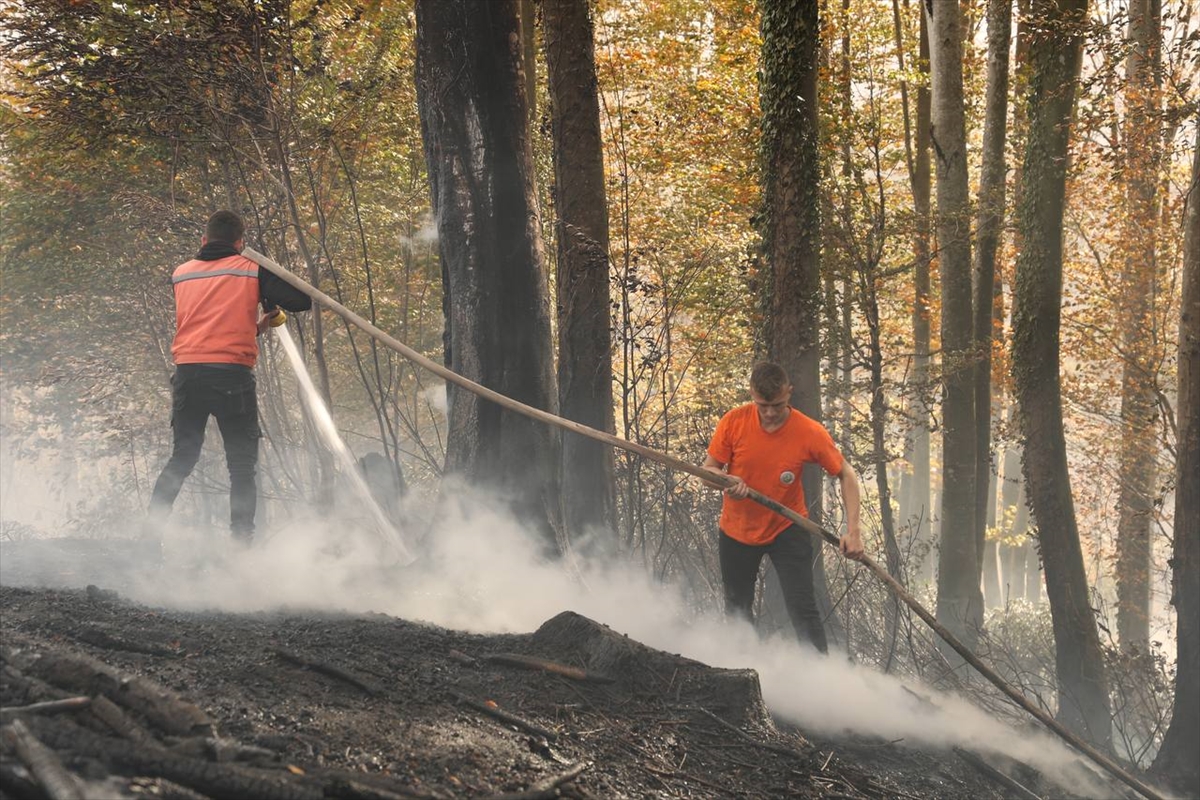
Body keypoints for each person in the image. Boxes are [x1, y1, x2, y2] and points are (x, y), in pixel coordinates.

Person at [147, 210, 311, 542]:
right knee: (240, 465)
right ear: (240, 243)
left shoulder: (181, 274)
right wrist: (268, 279)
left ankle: (149, 537)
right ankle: (241, 547)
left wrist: (258, 327)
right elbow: (301, 301)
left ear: (204, 240)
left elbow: (211, 326)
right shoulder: (251, 269)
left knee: (182, 457)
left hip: (189, 375)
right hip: (231, 379)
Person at [703, 361, 863, 653]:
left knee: (803, 606)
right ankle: (745, 672)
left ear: (789, 393)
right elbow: (708, 471)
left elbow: (847, 475)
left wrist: (853, 531)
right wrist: (726, 480)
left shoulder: (808, 431)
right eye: (762, 405)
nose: (770, 413)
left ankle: (822, 677)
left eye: (778, 404)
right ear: (752, 394)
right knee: (737, 608)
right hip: (737, 530)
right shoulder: (734, 422)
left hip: (787, 527)